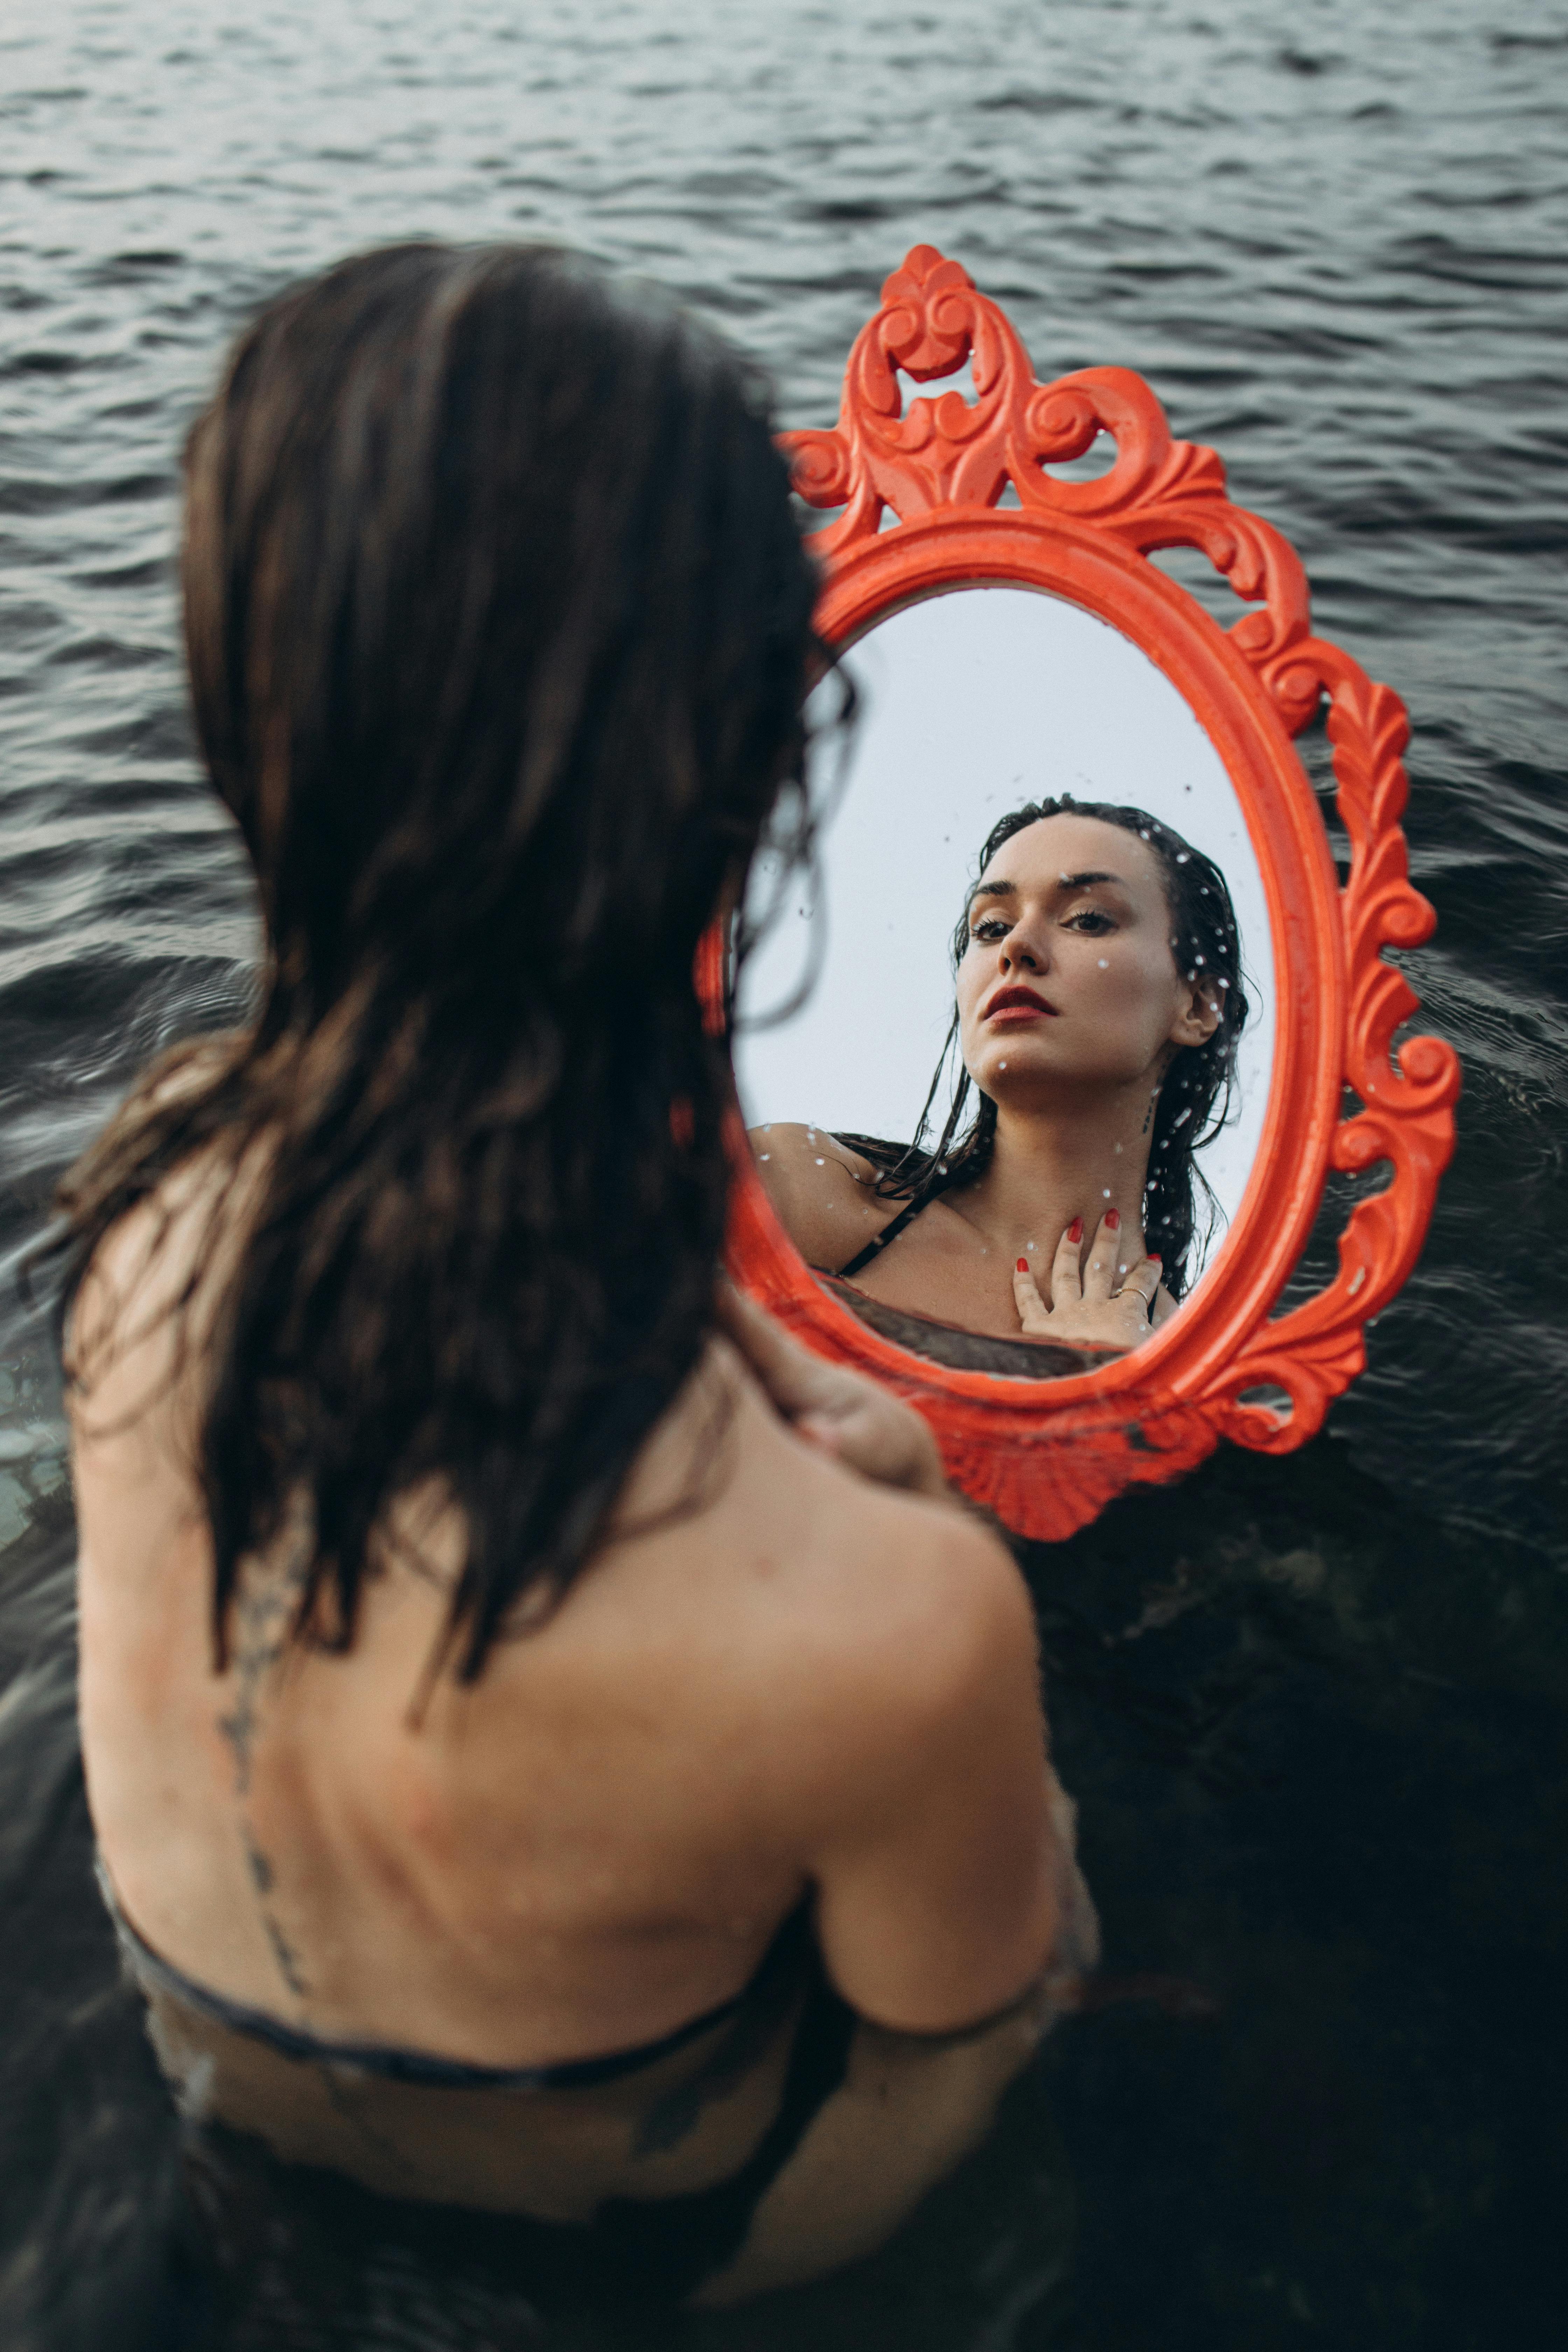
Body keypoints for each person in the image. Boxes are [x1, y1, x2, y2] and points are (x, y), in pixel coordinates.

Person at [54, 244, 1096, 2312]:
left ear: (251, 715)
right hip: (640, 2244)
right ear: (737, 810)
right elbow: (949, 2060)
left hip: (193, 2119)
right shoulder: (896, 1637)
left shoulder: (143, 1206)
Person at [753, 797, 1248, 1356]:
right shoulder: (803, 1193)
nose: (1016, 948)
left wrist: (1108, 1387)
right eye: (990, 928)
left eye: (1087, 919)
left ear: (1199, 1004)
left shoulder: (1193, 1361)